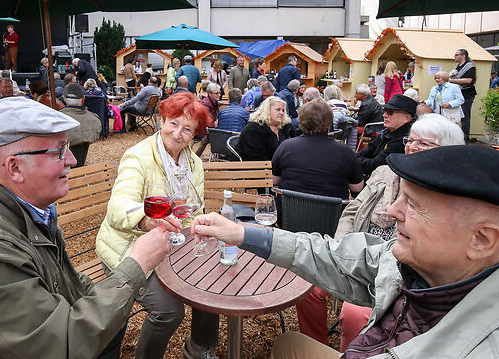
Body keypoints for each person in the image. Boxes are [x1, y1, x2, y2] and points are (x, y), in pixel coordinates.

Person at [0, 97, 173, 358]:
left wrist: (111, 297)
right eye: (58, 151)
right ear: (14, 167)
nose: (71, 160)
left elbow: (65, 282)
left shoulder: (24, 208)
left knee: (114, 322)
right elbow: (63, 344)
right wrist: (136, 264)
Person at [192, 144, 499, 359]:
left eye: (414, 205)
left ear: (481, 240)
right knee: (287, 344)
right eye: (400, 197)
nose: (393, 210)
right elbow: (331, 256)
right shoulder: (413, 265)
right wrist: (242, 233)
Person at [296, 114, 465, 351]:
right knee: (308, 283)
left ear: (448, 151)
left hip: (396, 271)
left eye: (423, 143)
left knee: (355, 315)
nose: (412, 147)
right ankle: (316, 347)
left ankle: (355, 353)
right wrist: (340, 249)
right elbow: (352, 211)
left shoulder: (446, 193)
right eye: (410, 140)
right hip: (359, 253)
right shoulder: (385, 172)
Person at [95, 92, 219, 359]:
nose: (178, 133)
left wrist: (195, 227)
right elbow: (117, 209)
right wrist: (146, 218)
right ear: (162, 119)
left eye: (187, 129)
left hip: (171, 245)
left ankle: (199, 347)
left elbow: (191, 211)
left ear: (196, 133)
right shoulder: (138, 157)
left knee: (211, 282)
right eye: (173, 123)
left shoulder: (193, 163)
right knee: (168, 311)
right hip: (126, 249)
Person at [272, 99, 363, 199]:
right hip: (331, 213)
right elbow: (357, 188)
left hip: (288, 211)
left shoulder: (286, 147)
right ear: (329, 121)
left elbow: (274, 180)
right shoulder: (345, 152)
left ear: (301, 120)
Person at [357, 94, 416, 176]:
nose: (384, 115)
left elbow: (375, 166)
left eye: (390, 112)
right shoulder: (388, 132)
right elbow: (368, 150)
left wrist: (352, 161)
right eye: (384, 111)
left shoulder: (404, 140)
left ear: (407, 118)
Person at [236, 96, 295, 161]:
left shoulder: (286, 127)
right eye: (278, 109)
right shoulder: (253, 129)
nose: (281, 113)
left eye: (283, 110)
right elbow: (258, 159)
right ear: (267, 110)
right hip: (256, 168)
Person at [450, 48, 477, 141]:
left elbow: (468, 80)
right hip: (458, 95)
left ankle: (465, 139)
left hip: (467, 94)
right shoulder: (458, 67)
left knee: (465, 117)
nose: (454, 56)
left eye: (456, 54)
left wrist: (451, 80)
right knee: (456, 116)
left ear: (463, 56)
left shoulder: (470, 66)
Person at [194, 83, 220, 156]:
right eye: (216, 93)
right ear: (210, 94)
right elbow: (202, 120)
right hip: (203, 129)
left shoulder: (214, 102)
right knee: (218, 136)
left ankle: (197, 156)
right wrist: (213, 124)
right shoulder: (206, 104)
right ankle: (220, 155)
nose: (219, 95)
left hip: (210, 129)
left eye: (219, 92)